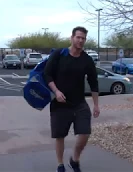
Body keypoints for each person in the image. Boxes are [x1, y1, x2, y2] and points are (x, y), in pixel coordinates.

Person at [44, 26, 100, 172]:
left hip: (79, 103)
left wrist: (96, 105)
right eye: (78, 37)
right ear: (72, 38)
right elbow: (47, 74)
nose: (81, 40)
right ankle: (60, 164)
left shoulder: (87, 60)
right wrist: (56, 91)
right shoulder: (59, 54)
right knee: (60, 135)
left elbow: (94, 82)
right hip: (59, 103)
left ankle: (74, 159)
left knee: (85, 133)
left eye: (83, 38)